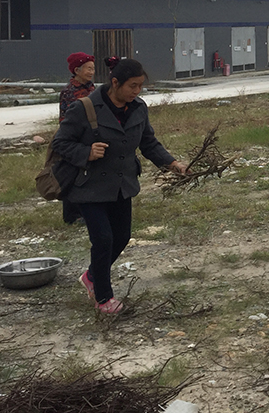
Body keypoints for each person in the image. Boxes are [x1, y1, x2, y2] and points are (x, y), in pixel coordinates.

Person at [53, 57, 186, 314]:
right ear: (115, 82)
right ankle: (103, 298)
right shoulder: (85, 108)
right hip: (89, 187)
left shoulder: (137, 108)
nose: (137, 91)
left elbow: (148, 143)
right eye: (132, 86)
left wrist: (173, 163)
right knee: (103, 239)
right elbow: (60, 143)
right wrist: (86, 151)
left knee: (122, 237)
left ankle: (92, 276)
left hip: (122, 185)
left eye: (140, 86)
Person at [58, 52, 96, 226]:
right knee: (73, 175)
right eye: (88, 68)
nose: (91, 72)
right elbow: (65, 119)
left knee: (88, 176)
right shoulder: (69, 92)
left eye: (93, 68)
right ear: (77, 70)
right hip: (74, 138)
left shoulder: (92, 89)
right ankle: (71, 215)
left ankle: (86, 211)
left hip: (90, 137)